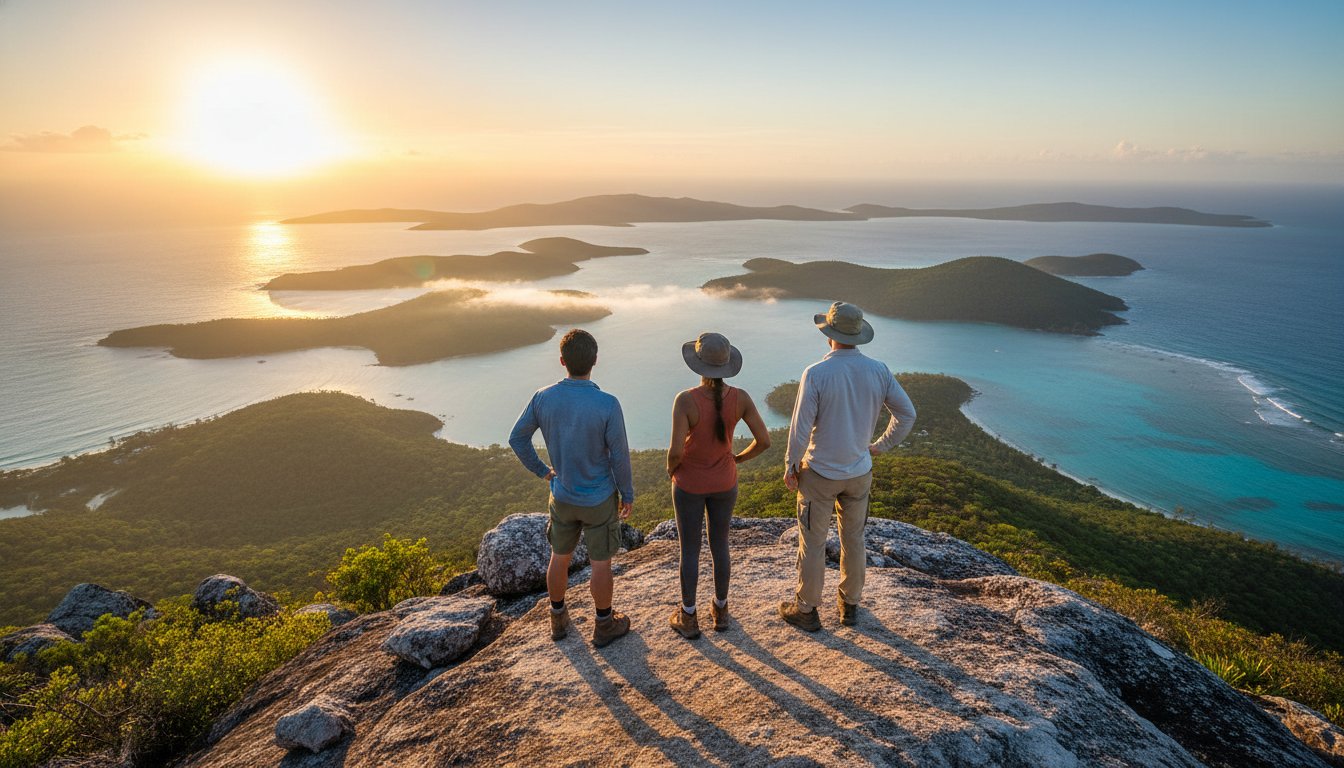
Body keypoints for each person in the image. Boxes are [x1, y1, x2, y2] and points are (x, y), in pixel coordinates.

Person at [779, 302, 916, 631]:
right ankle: (849, 605)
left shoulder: (816, 373)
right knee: (854, 539)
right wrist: (880, 446)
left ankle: (807, 610)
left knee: (812, 544)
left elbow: (799, 430)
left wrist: (791, 466)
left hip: (820, 474)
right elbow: (907, 415)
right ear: (857, 336)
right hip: (859, 473)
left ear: (829, 336)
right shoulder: (878, 370)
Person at [508, 328, 634, 648]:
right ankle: (603, 623)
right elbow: (619, 456)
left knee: (559, 556)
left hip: (562, 495)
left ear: (562, 361)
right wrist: (628, 494)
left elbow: (517, 439)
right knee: (600, 563)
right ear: (595, 361)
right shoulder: (607, 404)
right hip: (599, 499)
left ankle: (558, 618)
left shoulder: (543, 397)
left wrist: (543, 472)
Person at [666, 332, 772, 639]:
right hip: (725, 481)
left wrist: (671, 469)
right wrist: (736, 459)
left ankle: (688, 617)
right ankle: (721, 610)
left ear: (698, 364)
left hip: (689, 483)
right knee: (720, 544)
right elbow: (764, 441)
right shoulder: (740, 398)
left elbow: (675, 452)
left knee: (690, 549)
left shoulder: (685, 400)